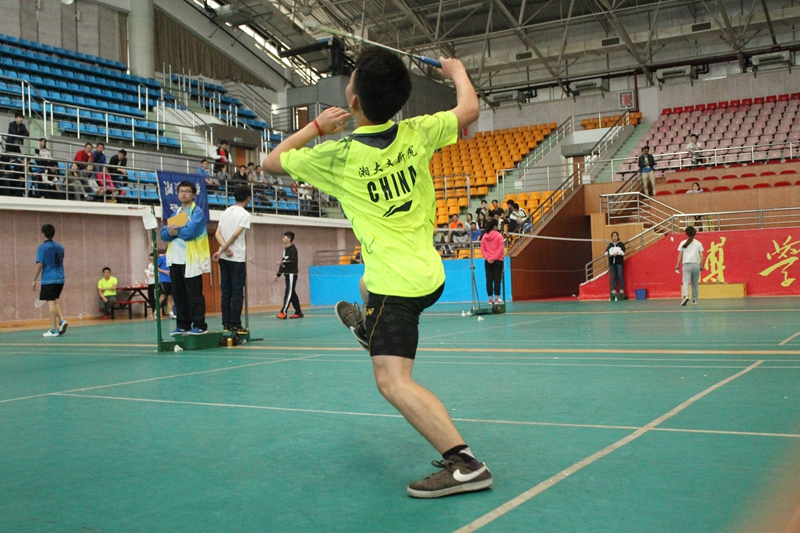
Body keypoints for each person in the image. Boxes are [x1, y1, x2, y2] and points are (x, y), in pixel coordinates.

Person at [262, 48, 491, 498]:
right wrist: (458, 71)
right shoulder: (417, 132)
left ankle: (465, 464)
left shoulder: (338, 155)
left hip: (396, 289)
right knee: (363, 282)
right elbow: (469, 109)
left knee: (391, 381)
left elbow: (272, 161)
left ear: (353, 102)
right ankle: (369, 329)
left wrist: (315, 128)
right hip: (429, 274)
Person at [160, 181, 211, 335]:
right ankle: (183, 325)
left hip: (191, 260)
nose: (184, 194)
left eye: (187, 191)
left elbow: (190, 233)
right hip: (175, 260)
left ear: (193, 195)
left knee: (194, 294)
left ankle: (200, 325)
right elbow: (164, 235)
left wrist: (174, 231)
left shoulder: (197, 213)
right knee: (178, 294)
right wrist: (170, 232)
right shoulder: (176, 214)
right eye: (181, 191)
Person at [212, 185, 252, 332]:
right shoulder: (245, 214)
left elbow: (217, 234)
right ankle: (235, 323)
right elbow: (235, 235)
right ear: (248, 198)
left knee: (226, 292)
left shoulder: (225, 212)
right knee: (237, 292)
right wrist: (226, 248)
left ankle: (226, 324)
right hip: (236, 258)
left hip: (224, 257)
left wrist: (222, 249)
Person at [32, 224, 67, 337]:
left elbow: (39, 265)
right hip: (60, 278)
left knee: (50, 303)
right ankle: (62, 320)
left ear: (43, 234)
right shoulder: (60, 247)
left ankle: (53, 329)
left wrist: (34, 280)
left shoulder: (42, 248)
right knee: (53, 301)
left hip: (49, 279)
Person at [273, 231, 302, 319]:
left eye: (284, 237)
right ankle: (298, 312)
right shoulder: (286, 250)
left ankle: (283, 312)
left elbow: (293, 262)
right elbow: (283, 263)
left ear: (289, 239)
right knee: (292, 293)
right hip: (287, 274)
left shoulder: (293, 249)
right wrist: (278, 275)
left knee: (288, 293)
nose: (282, 238)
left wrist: (283, 262)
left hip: (292, 274)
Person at [675, 225, 704, 306]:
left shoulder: (682, 243)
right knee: (695, 283)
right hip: (696, 264)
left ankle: (686, 296)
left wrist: (677, 265)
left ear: (686, 233)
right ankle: (694, 300)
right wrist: (701, 266)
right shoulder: (698, 243)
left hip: (686, 264)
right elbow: (702, 256)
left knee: (686, 282)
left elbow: (680, 255)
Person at [480, 218, 504, 304]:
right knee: (497, 279)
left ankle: (490, 299)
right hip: (498, 260)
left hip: (488, 261)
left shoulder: (484, 236)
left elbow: (482, 249)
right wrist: (494, 257)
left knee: (489, 279)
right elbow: (500, 248)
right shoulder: (499, 235)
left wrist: (488, 258)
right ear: (495, 226)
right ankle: (497, 298)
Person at [606, 231, 626, 299]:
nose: (614, 237)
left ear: (618, 237)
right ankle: (614, 289)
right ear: (611, 237)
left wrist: (618, 252)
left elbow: (623, 252)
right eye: (613, 236)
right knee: (613, 276)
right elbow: (606, 253)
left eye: (616, 236)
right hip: (612, 263)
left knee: (620, 275)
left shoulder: (621, 244)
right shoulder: (610, 245)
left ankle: (621, 289)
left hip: (619, 263)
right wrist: (610, 254)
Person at [157, 251, 175, 318]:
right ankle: (156, 312)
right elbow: (156, 267)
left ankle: (170, 312)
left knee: (170, 297)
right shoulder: (162, 258)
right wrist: (164, 271)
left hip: (171, 280)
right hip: (163, 280)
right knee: (162, 296)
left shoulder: (172, 259)